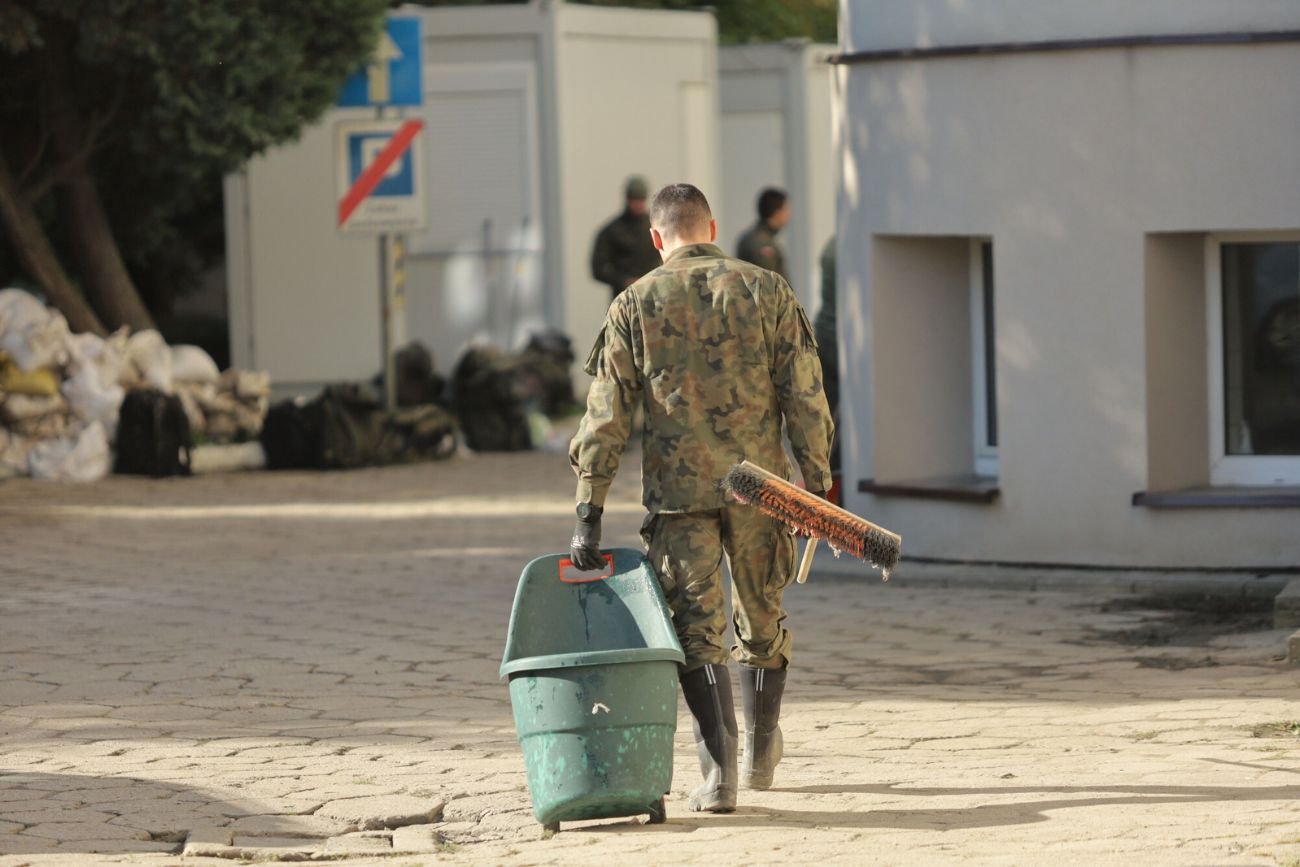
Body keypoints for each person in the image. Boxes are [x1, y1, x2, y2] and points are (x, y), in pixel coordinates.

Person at [567, 183, 833, 813]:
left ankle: (719, 778)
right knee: (763, 617)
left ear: (657, 238)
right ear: (711, 225)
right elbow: (805, 394)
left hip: (678, 494)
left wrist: (589, 509)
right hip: (762, 491)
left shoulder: (633, 303)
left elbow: (606, 417)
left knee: (695, 632)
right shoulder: (767, 288)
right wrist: (816, 484)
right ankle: (765, 743)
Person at [589, 176, 662, 302]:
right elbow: (598, 268)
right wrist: (623, 281)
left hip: (652, 296)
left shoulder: (656, 226)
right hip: (623, 299)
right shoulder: (612, 231)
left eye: (641, 199)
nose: (637, 204)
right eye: (634, 199)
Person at [814, 236, 841, 499]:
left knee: (828, 415)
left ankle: (828, 479)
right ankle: (833, 483)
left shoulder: (832, 244)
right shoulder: (847, 245)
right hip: (838, 337)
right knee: (842, 420)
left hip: (825, 331)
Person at [734, 187, 791, 280]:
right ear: (777, 212)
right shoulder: (764, 245)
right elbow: (768, 286)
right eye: (786, 210)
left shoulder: (750, 237)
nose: (788, 215)